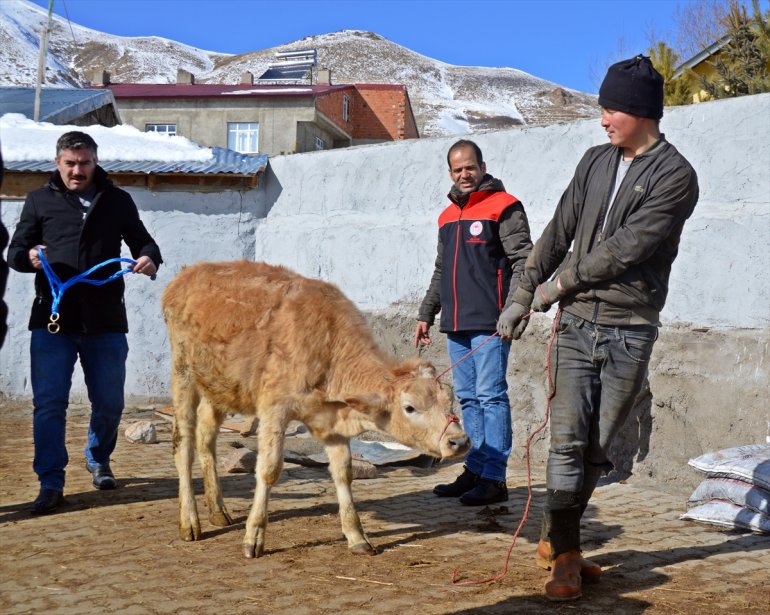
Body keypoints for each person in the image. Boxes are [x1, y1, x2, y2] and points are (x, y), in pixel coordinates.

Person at [498, 55, 699, 601]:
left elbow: (626, 249)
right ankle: (566, 554)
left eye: (611, 109)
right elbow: (558, 230)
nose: (603, 119)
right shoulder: (593, 162)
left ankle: (556, 534)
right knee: (565, 442)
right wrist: (523, 293)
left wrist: (553, 288)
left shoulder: (676, 177)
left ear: (640, 112)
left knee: (597, 449)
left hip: (630, 330)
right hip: (576, 328)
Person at [8, 131, 162, 515]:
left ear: (95, 161)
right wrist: (29, 256)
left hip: (106, 320)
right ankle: (50, 481)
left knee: (110, 403)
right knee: (48, 405)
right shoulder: (38, 201)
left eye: (85, 163)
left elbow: (144, 242)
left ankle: (98, 457)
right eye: (70, 163)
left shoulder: (117, 201)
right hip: (53, 321)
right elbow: (13, 251)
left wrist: (148, 258)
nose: (78, 171)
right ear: (57, 162)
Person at [415, 139, 532, 506]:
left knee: (491, 397)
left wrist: (514, 310)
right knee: (467, 398)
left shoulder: (505, 207)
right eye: (457, 169)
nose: (464, 174)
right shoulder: (447, 216)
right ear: (450, 173)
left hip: (491, 323)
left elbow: (524, 262)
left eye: (470, 167)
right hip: (456, 323)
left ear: (482, 166)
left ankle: (495, 478)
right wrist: (425, 314)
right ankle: (477, 470)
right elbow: (441, 270)